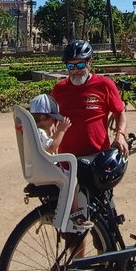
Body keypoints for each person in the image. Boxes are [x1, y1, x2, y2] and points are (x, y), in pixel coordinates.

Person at [51, 40, 128, 159]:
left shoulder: (105, 85)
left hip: (98, 158)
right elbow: (51, 118)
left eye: (80, 65)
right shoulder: (58, 89)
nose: (75, 70)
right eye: (70, 66)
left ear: (90, 62)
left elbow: (120, 112)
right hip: (67, 160)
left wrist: (121, 135)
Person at [29, 93, 93, 232]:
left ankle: (56, 212)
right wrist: (61, 131)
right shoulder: (40, 132)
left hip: (39, 170)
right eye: (53, 120)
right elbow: (51, 148)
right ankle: (75, 216)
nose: (55, 124)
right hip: (48, 171)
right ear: (43, 118)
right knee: (72, 180)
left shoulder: (33, 132)